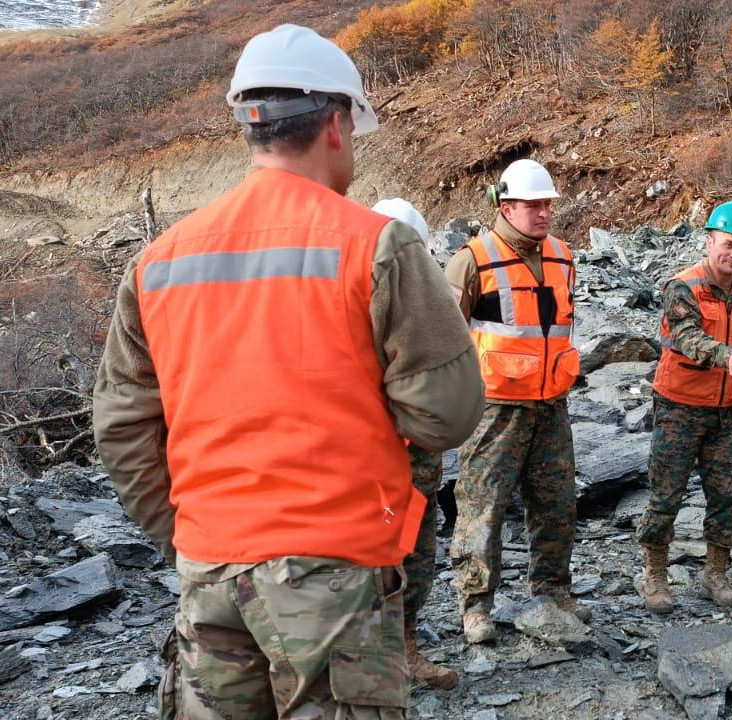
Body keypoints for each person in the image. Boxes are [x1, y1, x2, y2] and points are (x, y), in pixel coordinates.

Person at [92, 25, 483, 720]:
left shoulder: (159, 260)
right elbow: (447, 413)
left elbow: (122, 429)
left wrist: (188, 533)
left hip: (208, 570)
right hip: (334, 573)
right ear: (336, 125)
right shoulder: (377, 244)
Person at [445, 158, 587, 644]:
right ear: (506, 207)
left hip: (551, 405)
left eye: (548, 204)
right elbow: (443, 338)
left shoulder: (564, 256)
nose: (545, 212)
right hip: (496, 409)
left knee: (556, 504)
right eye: (534, 205)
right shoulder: (472, 260)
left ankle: (552, 589)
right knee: (482, 507)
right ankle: (475, 604)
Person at [635, 201, 732, 614]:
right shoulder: (683, 287)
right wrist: (730, 357)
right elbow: (688, 338)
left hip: (725, 410)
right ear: (709, 241)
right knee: (666, 493)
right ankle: (655, 575)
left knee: (728, 493)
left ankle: (716, 572)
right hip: (679, 406)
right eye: (729, 244)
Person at [370, 197, 459, 689]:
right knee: (370, 560)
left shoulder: (432, 306)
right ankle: (366, 661)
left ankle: (405, 647)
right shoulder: (351, 307)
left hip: (421, 462)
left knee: (418, 557)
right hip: (372, 464)